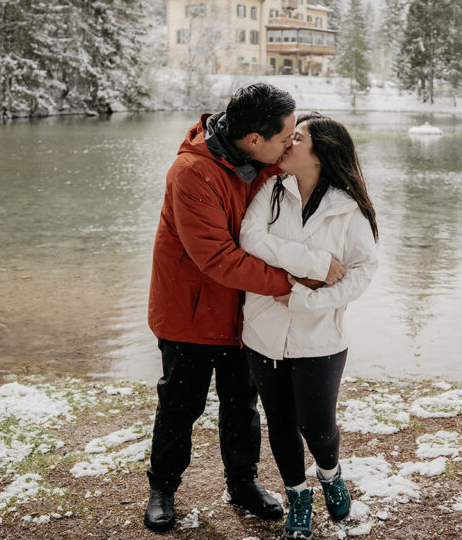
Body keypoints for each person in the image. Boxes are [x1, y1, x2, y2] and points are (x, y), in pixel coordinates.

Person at [144, 85, 346, 532]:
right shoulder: (191, 173)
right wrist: (294, 282)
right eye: (285, 137)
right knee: (181, 403)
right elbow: (216, 258)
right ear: (254, 138)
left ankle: (243, 483)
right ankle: (163, 487)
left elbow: (316, 164)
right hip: (189, 312)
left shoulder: (262, 160)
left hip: (242, 310)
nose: (290, 144)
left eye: (295, 136)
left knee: (241, 403)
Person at [239, 112, 379, 540]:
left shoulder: (347, 208)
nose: (286, 143)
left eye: (296, 138)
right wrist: (314, 264)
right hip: (264, 331)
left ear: (320, 154)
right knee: (279, 421)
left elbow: (361, 271)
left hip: (321, 336)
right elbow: (250, 238)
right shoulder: (271, 190)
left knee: (317, 425)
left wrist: (308, 299)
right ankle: (298, 494)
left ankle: (330, 473)